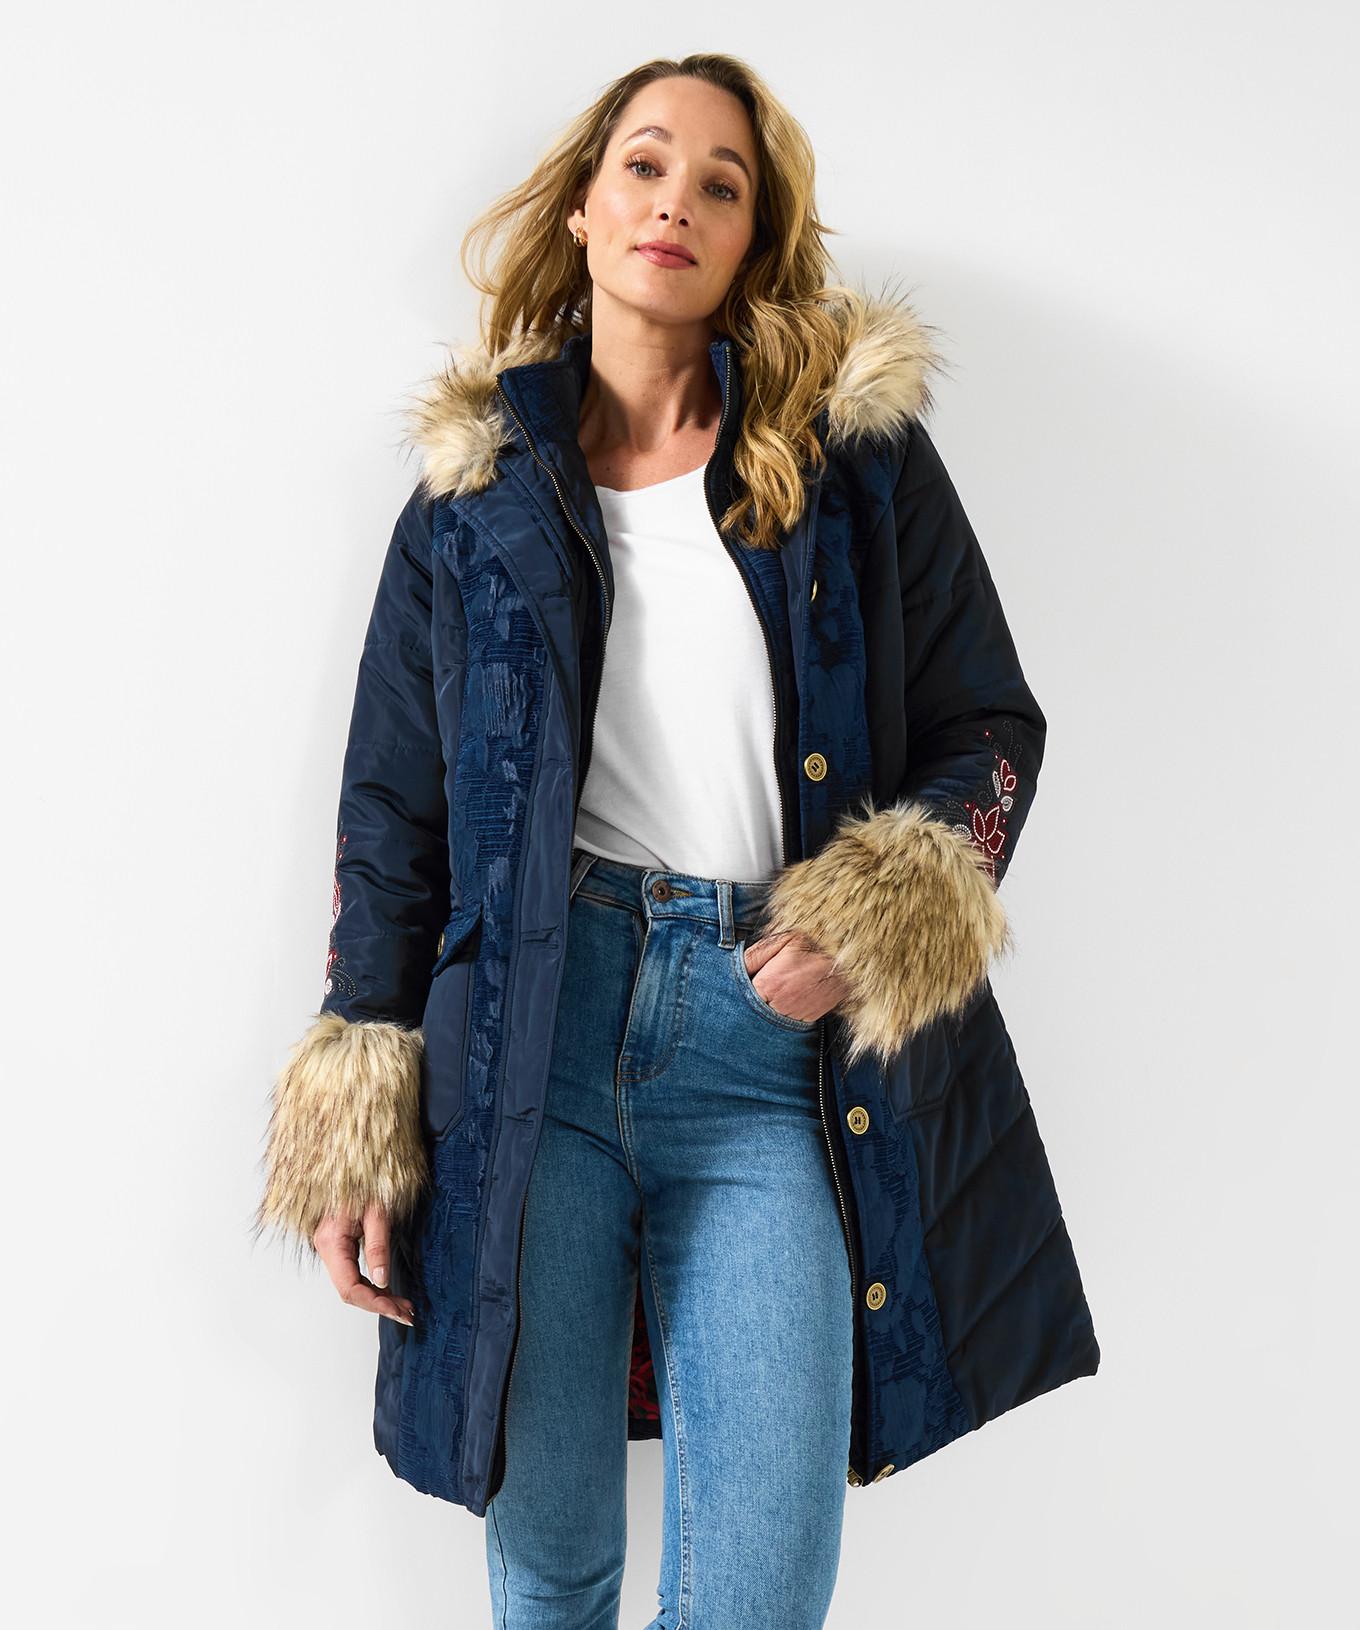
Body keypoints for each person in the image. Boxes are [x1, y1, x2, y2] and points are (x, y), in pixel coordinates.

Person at [254, 52, 1100, 1630]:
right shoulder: (474, 497)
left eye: (723, 183)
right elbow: (393, 819)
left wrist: (872, 914)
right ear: (584, 209)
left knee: (759, 1594)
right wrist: (356, 1122)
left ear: (753, 238)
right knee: (554, 1564)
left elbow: (991, 727)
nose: (677, 202)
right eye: (645, 165)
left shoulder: (851, 463)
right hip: (533, 1053)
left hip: (766, 1058)